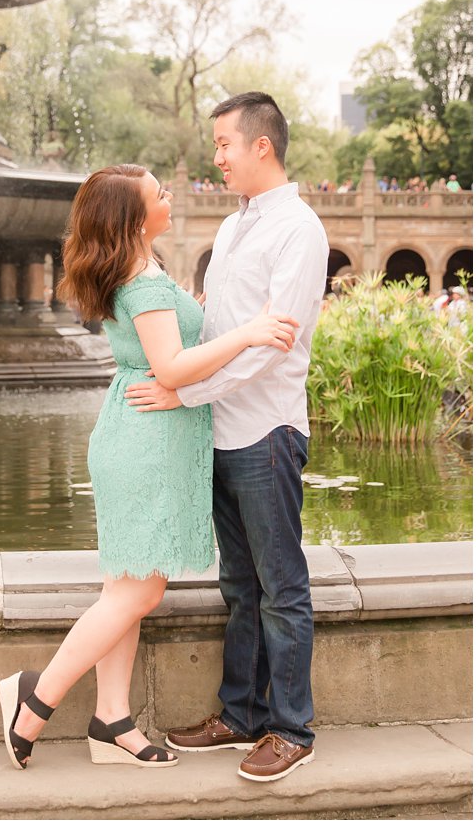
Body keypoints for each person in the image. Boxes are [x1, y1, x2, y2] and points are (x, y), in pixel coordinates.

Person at [0, 163, 299, 773]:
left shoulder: (141, 270)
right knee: (140, 588)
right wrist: (248, 332)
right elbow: (172, 368)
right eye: (158, 193)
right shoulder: (143, 282)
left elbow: (167, 353)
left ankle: (112, 719)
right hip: (145, 441)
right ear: (136, 219)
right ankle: (36, 698)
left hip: (141, 433)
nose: (169, 196)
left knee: (129, 585)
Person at [125, 91, 329, 782]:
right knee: (240, 586)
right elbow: (224, 328)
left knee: (281, 587)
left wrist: (185, 392)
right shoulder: (239, 223)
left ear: (260, 145)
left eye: (223, 144)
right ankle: (240, 712)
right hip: (222, 432)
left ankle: (292, 727)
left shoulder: (298, 230)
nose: (216, 157)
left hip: (267, 431)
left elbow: (273, 348)